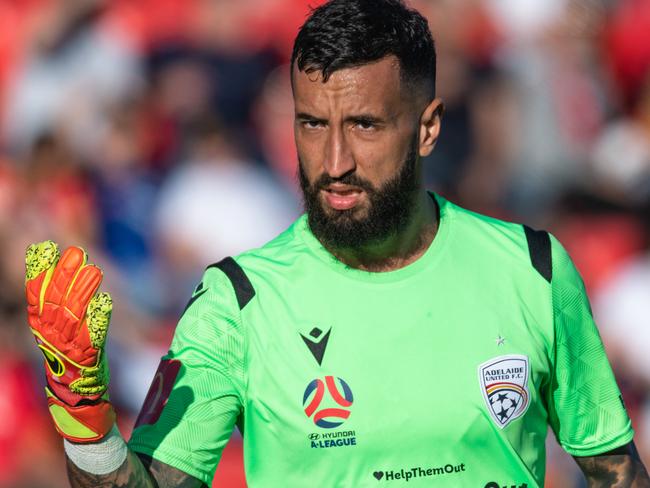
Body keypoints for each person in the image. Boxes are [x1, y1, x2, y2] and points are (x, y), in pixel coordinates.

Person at [24, 0, 650, 487]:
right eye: (312, 125)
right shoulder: (239, 303)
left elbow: (614, 472)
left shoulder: (532, 269)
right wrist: (86, 425)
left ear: (427, 129)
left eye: (365, 126)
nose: (335, 160)